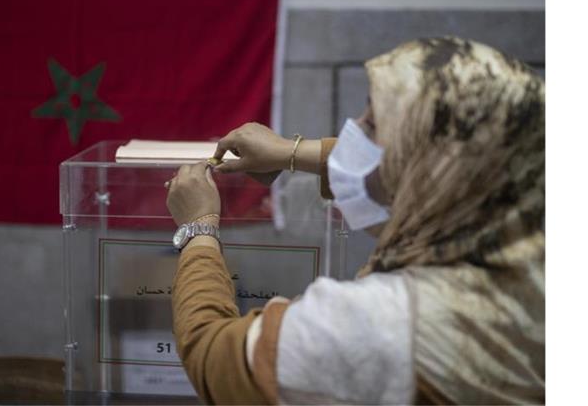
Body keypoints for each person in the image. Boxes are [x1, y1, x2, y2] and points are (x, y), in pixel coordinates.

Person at [165, 37, 545, 405]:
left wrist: (199, 227)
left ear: (429, 167)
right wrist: (289, 152)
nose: (353, 130)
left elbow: (213, 356)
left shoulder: (380, 326)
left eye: (376, 124)